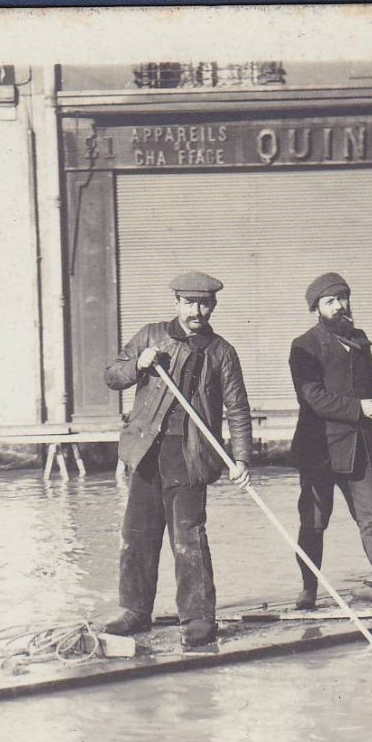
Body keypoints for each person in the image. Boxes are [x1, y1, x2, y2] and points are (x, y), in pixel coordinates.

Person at [100, 270, 253, 648]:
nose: (196, 311)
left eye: (204, 304)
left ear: (213, 305)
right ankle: (134, 610)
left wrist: (242, 458)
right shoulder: (152, 335)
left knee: (189, 537)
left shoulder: (221, 352)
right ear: (177, 303)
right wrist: (138, 365)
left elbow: (237, 408)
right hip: (146, 451)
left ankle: (199, 617)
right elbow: (112, 375)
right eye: (189, 303)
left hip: (190, 455)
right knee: (136, 534)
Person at [288, 272, 372, 610]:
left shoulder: (358, 339)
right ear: (316, 309)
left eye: (343, 298)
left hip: (359, 448)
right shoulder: (304, 346)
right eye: (331, 301)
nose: (340, 306)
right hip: (320, 450)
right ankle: (309, 590)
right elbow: (312, 397)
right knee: (314, 521)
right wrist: (360, 408)